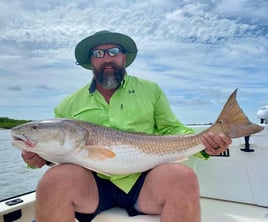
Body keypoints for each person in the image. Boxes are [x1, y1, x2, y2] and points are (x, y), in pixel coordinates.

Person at [22, 30, 232, 222]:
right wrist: (36, 157)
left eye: (113, 51)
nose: (106, 58)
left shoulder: (151, 90)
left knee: (183, 177)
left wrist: (207, 143)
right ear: (90, 61)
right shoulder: (67, 105)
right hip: (92, 184)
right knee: (53, 181)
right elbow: (57, 150)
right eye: (98, 53)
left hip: (145, 179)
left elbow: (171, 128)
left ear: (123, 57)